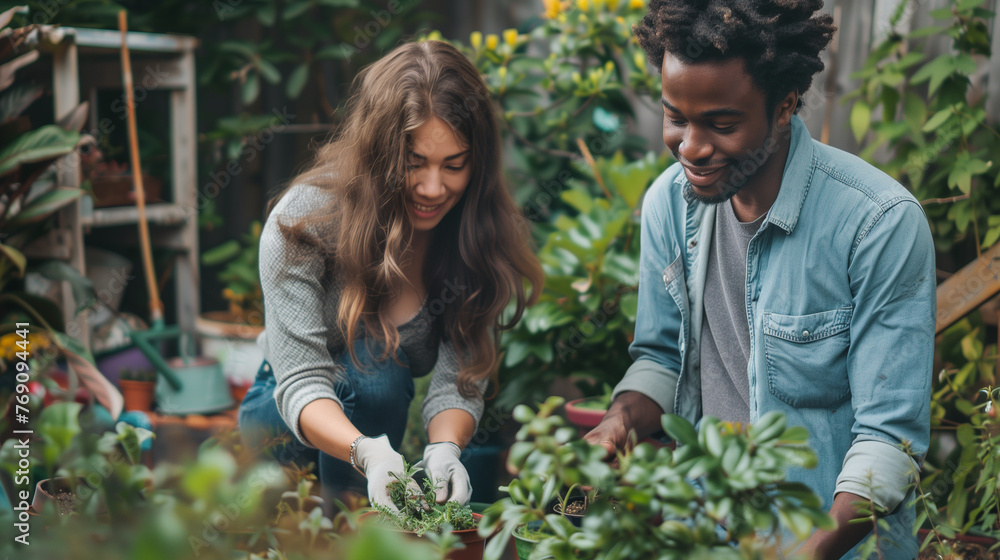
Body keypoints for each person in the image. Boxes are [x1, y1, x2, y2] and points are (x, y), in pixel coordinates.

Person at [584, 1, 935, 558]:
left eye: (722, 125)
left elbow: (889, 442)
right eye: (676, 117)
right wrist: (618, 421)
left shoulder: (877, 224)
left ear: (784, 106)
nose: (691, 147)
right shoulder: (668, 206)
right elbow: (663, 358)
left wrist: (805, 551)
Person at [238, 40, 543, 512]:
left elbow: (458, 381)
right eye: (413, 163)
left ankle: (358, 526)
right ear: (377, 153)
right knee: (376, 365)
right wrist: (370, 454)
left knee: (379, 370)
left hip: (372, 424)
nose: (433, 188)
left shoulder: (473, 235)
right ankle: (337, 522)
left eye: (454, 165)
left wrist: (445, 450)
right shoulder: (304, 221)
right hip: (284, 423)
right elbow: (301, 383)